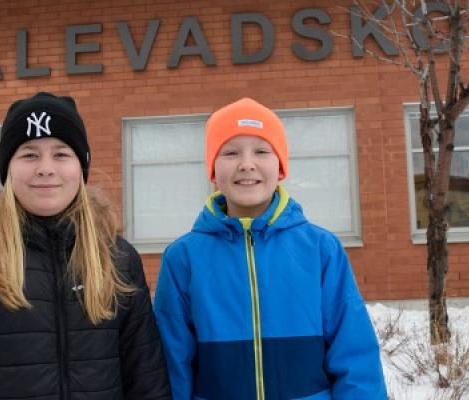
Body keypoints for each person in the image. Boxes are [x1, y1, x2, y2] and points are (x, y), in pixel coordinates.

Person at [154, 97, 387, 399]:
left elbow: (355, 354)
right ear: (212, 170)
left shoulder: (321, 250)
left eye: (261, 151)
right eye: (231, 152)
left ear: (281, 168)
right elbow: (172, 363)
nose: (246, 164)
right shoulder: (183, 258)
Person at [0, 92, 171, 400]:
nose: (45, 168)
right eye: (29, 155)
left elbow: (146, 380)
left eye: (61, 154)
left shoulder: (118, 258)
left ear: (81, 166)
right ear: (8, 169)